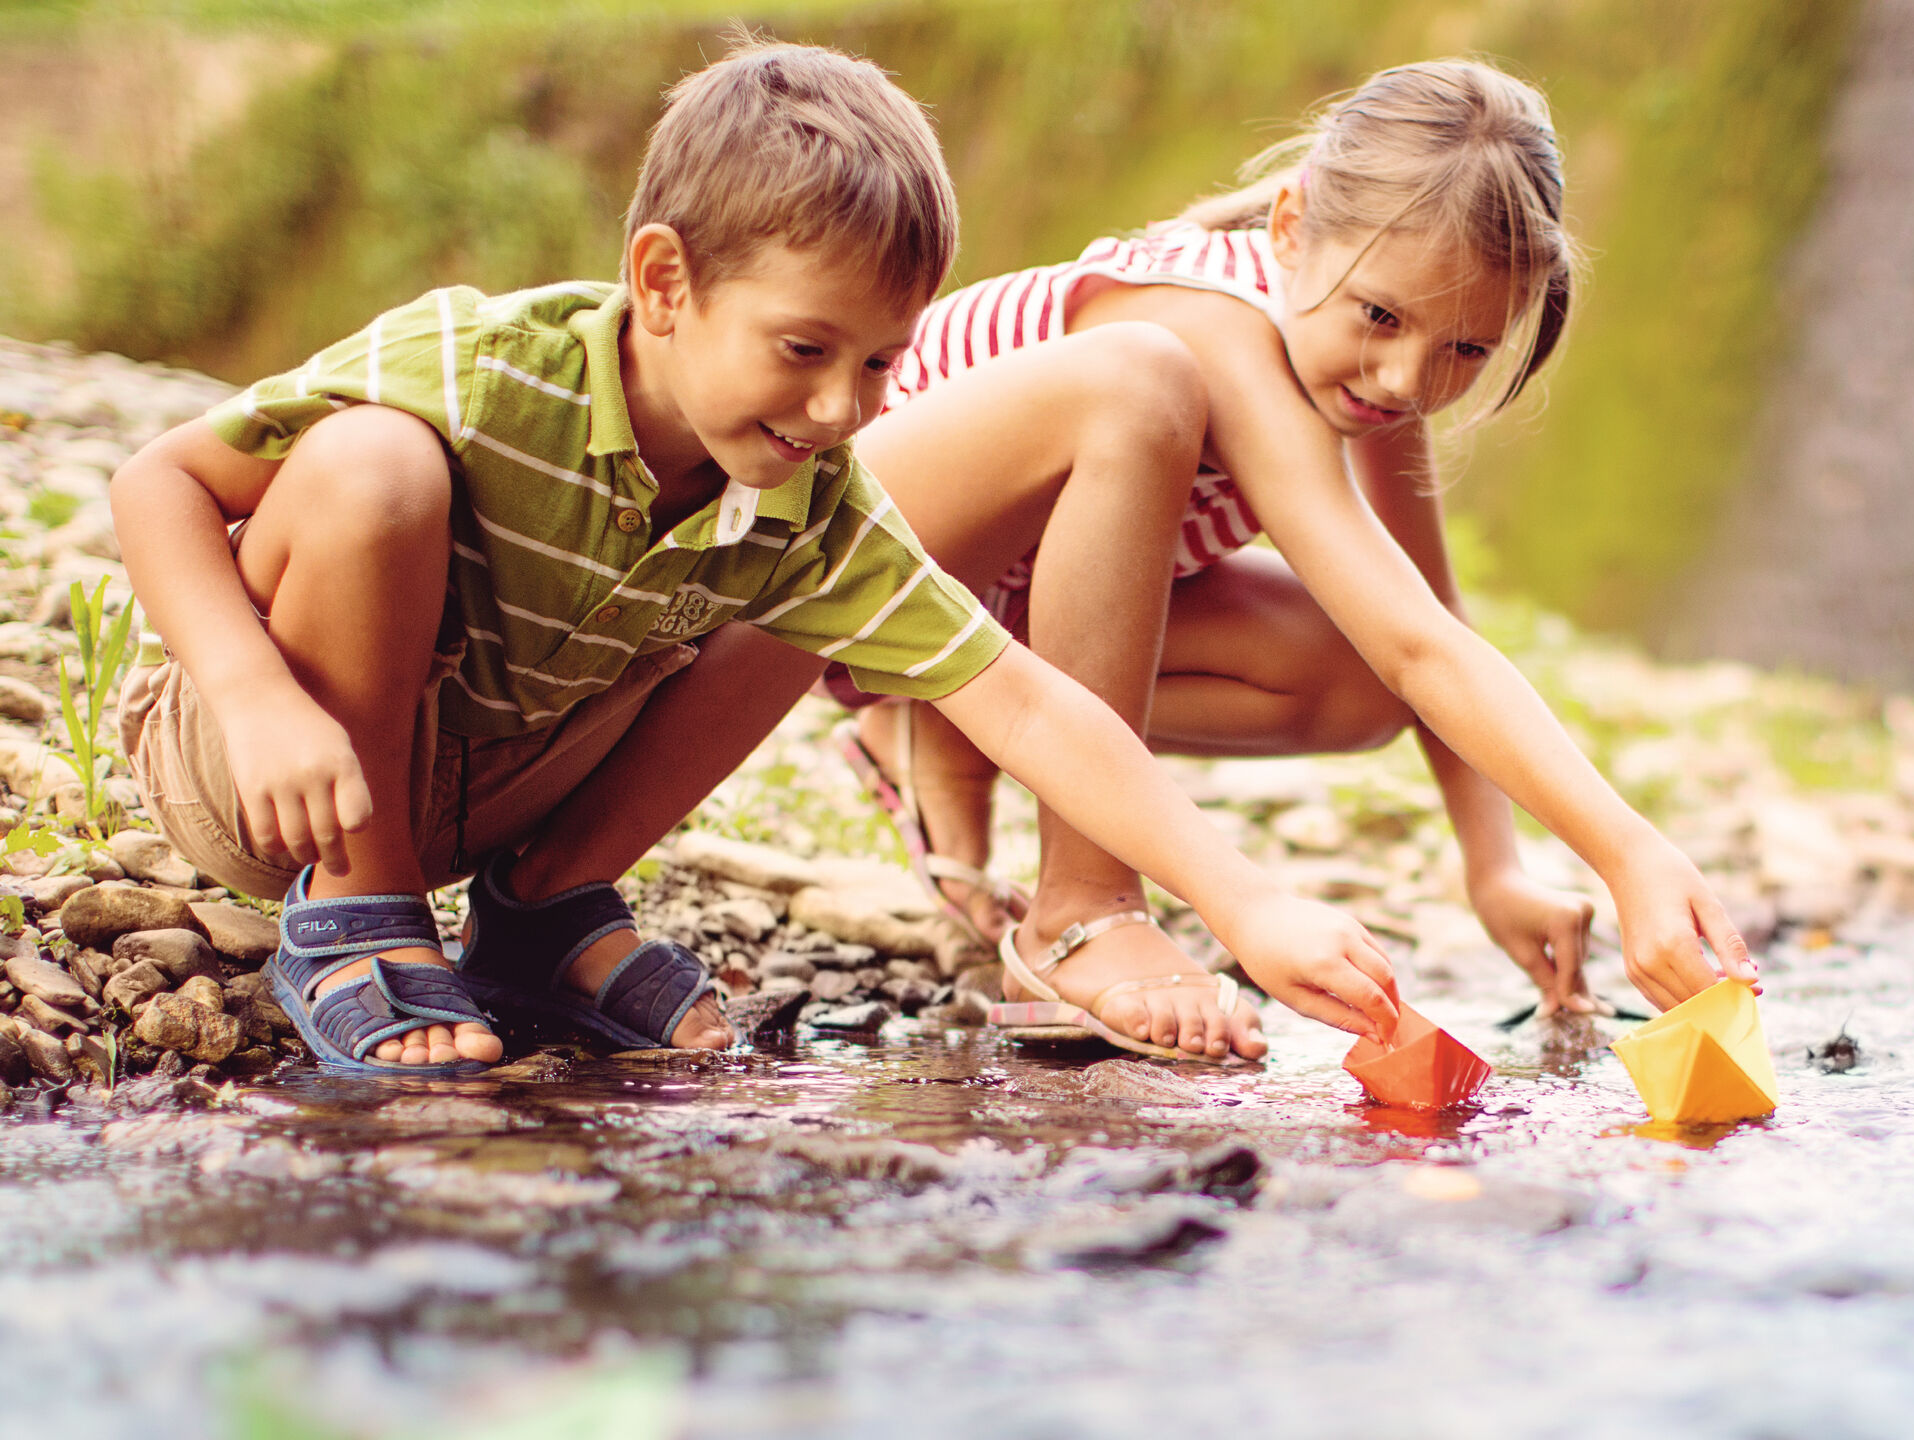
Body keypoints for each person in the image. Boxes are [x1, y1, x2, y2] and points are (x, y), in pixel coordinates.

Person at [109, 39, 1400, 1077]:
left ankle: (545, 907)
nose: (844, 406)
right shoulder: (486, 369)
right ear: (664, 284)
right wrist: (254, 696)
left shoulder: (810, 491)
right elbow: (158, 480)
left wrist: (1244, 905)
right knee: (372, 468)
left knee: (807, 590)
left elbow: (1020, 699)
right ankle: (359, 916)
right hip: (270, 768)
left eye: (882, 361)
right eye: (803, 350)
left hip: (484, 780)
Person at [813, 58, 1755, 1050]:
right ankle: (1081, 906)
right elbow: (1421, 647)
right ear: (1292, 227)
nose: (1405, 375)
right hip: (845, 560)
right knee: (1142, 383)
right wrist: (1630, 852)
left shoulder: (1374, 369)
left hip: (980, 632)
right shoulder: (1212, 321)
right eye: (1381, 316)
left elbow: (1425, 633)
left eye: (1465, 350)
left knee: (1362, 684)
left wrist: (1497, 867)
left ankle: (950, 729)